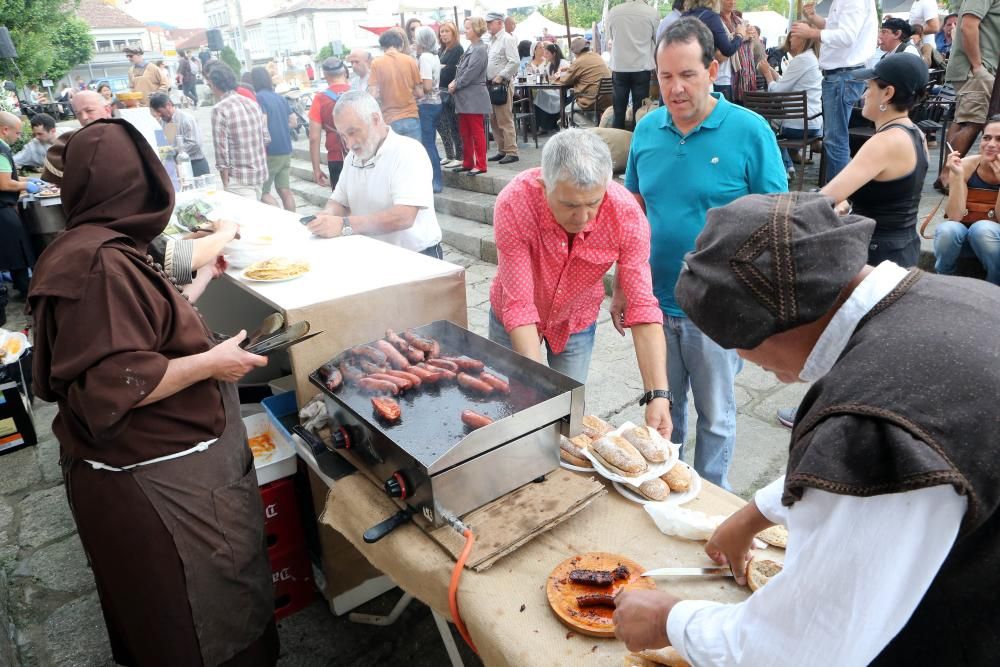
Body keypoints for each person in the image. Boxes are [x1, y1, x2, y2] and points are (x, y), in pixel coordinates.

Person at [617, 189, 1000, 664]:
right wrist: (753, 514)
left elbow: (800, 649)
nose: (742, 360)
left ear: (774, 323)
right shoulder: (960, 295)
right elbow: (865, 468)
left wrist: (669, 620)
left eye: (736, 342)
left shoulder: (869, 421)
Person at [28, 118, 278, 667]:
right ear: (137, 184)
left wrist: (200, 285)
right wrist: (213, 362)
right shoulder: (100, 265)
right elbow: (112, 383)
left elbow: (134, 328)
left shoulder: (88, 244)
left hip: (144, 477)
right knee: (197, 622)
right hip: (159, 487)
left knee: (170, 614)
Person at [620, 17, 787, 489]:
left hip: (716, 306)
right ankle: (668, 486)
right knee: (663, 410)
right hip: (654, 303)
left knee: (716, 415)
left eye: (687, 74)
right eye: (665, 76)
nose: (674, 88)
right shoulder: (648, 130)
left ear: (713, 68)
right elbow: (633, 213)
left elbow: (774, 218)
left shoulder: (749, 131)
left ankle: (712, 499)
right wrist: (622, 287)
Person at [489, 130, 672, 416]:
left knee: (569, 407)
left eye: (593, 203)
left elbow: (643, 306)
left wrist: (658, 394)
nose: (583, 217)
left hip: (576, 317)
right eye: (570, 205)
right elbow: (520, 306)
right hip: (513, 316)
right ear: (543, 185)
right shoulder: (515, 202)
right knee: (510, 403)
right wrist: (535, 387)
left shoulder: (625, 214)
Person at [305, 91, 444, 258]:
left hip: (417, 256)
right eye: (342, 136)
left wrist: (344, 224)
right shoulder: (352, 158)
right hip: (375, 253)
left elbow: (404, 216)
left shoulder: (408, 151)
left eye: (353, 132)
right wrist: (328, 214)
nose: (349, 144)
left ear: (376, 120)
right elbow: (339, 201)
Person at [825, 54, 929, 267]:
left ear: (888, 94)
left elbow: (826, 197)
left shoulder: (884, 142)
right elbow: (892, 197)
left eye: (869, 88)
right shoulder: (917, 133)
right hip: (904, 248)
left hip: (876, 257)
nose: (864, 95)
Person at [793, 0, 877, 183]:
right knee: (835, 139)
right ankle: (839, 195)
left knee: (835, 140)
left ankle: (837, 198)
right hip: (842, 75)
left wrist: (812, 32)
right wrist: (815, 19)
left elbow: (847, 36)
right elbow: (837, 28)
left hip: (842, 75)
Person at [937, 0, 1000, 192]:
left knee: (966, 120)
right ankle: (948, 177)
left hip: (981, 67)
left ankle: (947, 176)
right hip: (977, 68)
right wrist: (978, 67)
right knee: (973, 121)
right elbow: (967, 25)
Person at [934, 115, 1000, 285]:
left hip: (993, 243)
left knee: (983, 229)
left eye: (999, 139)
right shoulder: (966, 165)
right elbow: (955, 216)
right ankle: (943, 279)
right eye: (987, 137)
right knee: (947, 230)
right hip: (963, 240)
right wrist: (957, 176)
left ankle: (994, 284)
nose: (991, 144)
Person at [758, 24, 823, 179]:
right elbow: (786, 84)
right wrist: (772, 71)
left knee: (765, 126)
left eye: (792, 36)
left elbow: (778, 92)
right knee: (773, 125)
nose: (789, 39)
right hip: (812, 122)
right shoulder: (810, 58)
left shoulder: (801, 60)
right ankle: (788, 166)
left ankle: (784, 168)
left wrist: (767, 74)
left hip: (799, 125)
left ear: (802, 39)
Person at [207, 63, 269, 199]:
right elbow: (265, 138)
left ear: (213, 84)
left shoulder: (219, 109)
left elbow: (221, 151)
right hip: (259, 173)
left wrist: (225, 182)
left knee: (244, 219)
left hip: (238, 178)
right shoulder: (252, 103)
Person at [0, 112, 41, 310]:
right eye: (17, 133)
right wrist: (26, 187)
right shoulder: (0, 150)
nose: (18, 137)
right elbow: (5, 183)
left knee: (13, 249)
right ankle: (26, 291)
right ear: (5, 130)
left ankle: (20, 285)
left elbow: (9, 177)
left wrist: (29, 180)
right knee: (18, 250)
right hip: (2, 208)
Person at [449, 17, 491, 176]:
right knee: (465, 131)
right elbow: (463, 71)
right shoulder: (473, 47)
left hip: (473, 96)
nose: (465, 31)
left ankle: (480, 164)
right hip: (466, 97)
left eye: (467, 28)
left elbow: (470, 73)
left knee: (476, 131)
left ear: (476, 29)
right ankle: (468, 162)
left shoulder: (479, 49)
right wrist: (455, 82)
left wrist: (456, 84)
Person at [606, 0, 658, 129]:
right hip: (641, 66)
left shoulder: (613, 12)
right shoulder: (652, 13)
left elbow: (610, 37)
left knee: (618, 110)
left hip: (619, 66)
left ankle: (617, 139)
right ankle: (637, 141)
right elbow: (657, 40)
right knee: (639, 111)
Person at [249, 67, 295, 211]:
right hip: (286, 149)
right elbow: (293, 122)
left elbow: (263, 122)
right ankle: (293, 220)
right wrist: (280, 125)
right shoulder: (280, 98)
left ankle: (280, 218)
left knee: (263, 192)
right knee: (284, 189)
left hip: (270, 151)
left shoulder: (259, 98)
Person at [683, 0, 747, 101]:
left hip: (685, 72)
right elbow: (728, 49)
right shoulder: (711, 17)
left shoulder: (684, 17)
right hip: (704, 74)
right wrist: (740, 35)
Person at [368, 29, 423, 142]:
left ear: (383, 46)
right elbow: (420, 93)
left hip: (389, 119)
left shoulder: (376, 63)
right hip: (411, 115)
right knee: (414, 155)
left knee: (395, 157)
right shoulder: (410, 61)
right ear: (401, 44)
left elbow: (372, 95)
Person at [309, 57, 352, 190]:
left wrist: (316, 169)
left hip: (336, 156)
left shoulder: (320, 99)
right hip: (361, 154)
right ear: (344, 72)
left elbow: (314, 138)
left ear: (325, 75)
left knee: (341, 202)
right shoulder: (358, 92)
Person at [484, 11, 520, 165]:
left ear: (499, 22)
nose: (487, 26)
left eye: (490, 23)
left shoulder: (507, 38)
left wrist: (501, 75)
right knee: (494, 119)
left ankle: (511, 151)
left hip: (502, 84)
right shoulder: (493, 40)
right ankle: (502, 150)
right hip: (492, 84)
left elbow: (515, 62)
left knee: (504, 118)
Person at [148, 93, 210, 178]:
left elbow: (195, 144)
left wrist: (172, 151)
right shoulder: (163, 122)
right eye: (156, 112)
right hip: (178, 167)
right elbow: (166, 144)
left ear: (168, 105)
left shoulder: (187, 119)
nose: (158, 115)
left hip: (195, 164)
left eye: (159, 111)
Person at [414, 26, 444, 193]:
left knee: (428, 144)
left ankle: (436, 181)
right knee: (430, 143)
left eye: (416, 39)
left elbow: (426, 86)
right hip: (436, 103)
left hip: (426, 104)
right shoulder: (434, 56)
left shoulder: (424, 57)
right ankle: (436, 179)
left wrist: (413, 87)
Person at [555, 38, 612, 123]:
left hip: (592, 99)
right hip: (608, 98)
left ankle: (590, 129)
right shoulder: (596, 56)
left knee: (567, 109)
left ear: (575, 52)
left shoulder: (579, 61)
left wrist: (557, 77)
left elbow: (565, 81)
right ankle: (594, 126)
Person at [437, 22, 465, 169]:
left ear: (453, 33)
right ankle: (449, 154)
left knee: (455, 124)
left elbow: (450, 72)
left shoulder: (457, 49)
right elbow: (437, 71)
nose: (444, 34)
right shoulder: (441, 50)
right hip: (440, 91)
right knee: (443, 124)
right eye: (442, 31)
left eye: (447, 31)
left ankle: (460, 156)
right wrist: (441, 68)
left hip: (452, 92)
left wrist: (441, 68)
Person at [534, 43, 570, 133]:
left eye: (547, 53)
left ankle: (545, 125)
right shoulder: (549, 65)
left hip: (563, 92)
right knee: (541, 94)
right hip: (554, 90)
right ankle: (543, 125)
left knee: (542, 95)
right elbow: (545, 76)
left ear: (554, 54)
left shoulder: (563, 63)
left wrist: (553, 78)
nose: (545, 55)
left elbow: (564, 79)